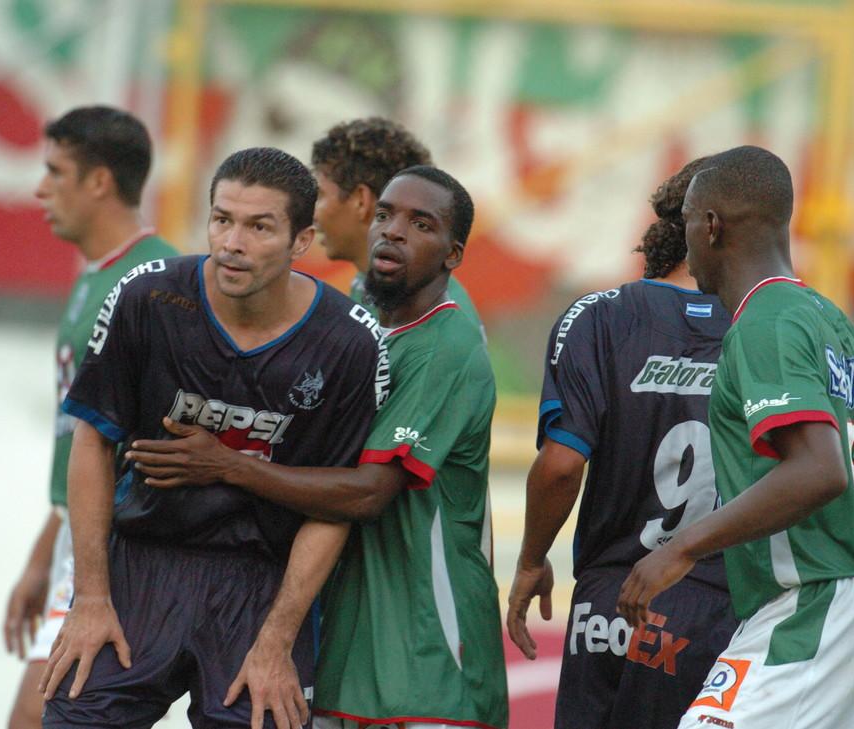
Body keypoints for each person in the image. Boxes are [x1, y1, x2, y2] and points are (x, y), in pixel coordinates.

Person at [125, 166, 508, 729]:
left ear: (453, 255)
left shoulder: (446, 345)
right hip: (346, 651)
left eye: (419, 224)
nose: (393, 232)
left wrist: (226, 464)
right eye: (385, 215)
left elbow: (369, 493)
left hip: (428, 657)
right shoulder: (359, 337)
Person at [39, 147, 387, 729]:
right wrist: (91, 598)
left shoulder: (349, 343)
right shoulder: (147, 297)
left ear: (302, 241)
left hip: (261, 584)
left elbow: (335, 506)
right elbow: (93, 441)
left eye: (258, 226)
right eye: (222, 219)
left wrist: (278, 640)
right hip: (138, 568)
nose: (232, 242)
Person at [616, 145, 854, 729]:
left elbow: (819, 470)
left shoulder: (765, 324)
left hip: (815, 602)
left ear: (712, 226)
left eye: (688, 222)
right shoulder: (829, 322)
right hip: (846, 605)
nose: (684, 240)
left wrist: (682, 547)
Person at [505, 156, 738, 729]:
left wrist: (532, 560)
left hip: (612, 599)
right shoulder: (775, 325)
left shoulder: (600, 315)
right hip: (725, 607)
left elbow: (561, 464)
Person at [3, 105, 178, 729]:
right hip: (76, 547)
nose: (39, 188)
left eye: (55, 171)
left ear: (99, 181)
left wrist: (93, 575)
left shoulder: (153, 285)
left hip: (115, 555)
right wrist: (43, 554)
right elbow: (80, 437)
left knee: (35, 717)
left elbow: (146, 442)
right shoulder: (94, 277)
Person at [310, 117, 481, 325]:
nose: (312, 215)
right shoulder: (375, 283)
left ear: (360, 201)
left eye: (320, 195)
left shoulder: (419, 315)